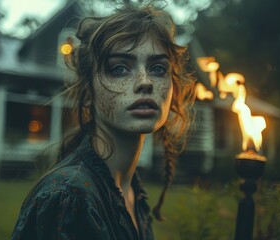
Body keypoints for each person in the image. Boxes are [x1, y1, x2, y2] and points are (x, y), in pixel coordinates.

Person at [11, 3, 195, 240]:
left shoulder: (131, 191)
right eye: (119, 68)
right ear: (88, 93)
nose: (145, 81)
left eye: (158, 68)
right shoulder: (70, 199)